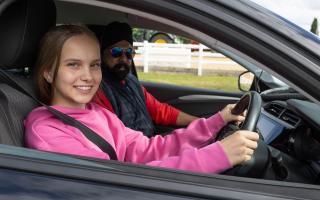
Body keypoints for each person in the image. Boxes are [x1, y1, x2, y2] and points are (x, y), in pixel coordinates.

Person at [24, 24, 259, 174]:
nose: (88, 76)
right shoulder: (47, 132)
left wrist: (216, 121)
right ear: (48, 71)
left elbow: (147, 149)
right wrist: (218, 155)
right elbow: (112, 181)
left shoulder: (98, 113)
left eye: (94, 65)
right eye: (73, 65)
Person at [91, 22, 198, 137]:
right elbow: (116, 138)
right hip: (136, 150)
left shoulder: (131, 81)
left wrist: (198, 122)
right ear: (102, 54)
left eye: (129, 53)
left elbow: (160, 111)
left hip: (149, 143)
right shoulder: (99, 91)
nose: (123, 58)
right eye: (116, 52)